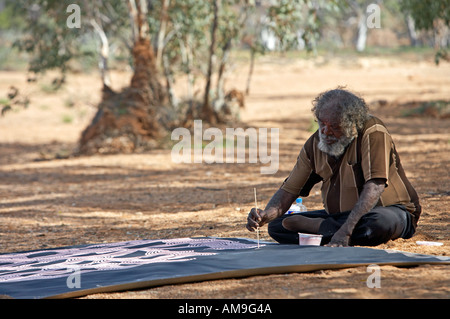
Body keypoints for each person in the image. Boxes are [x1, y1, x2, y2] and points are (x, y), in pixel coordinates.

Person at [246, 88, 421, 247]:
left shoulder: (373, 131)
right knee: (277, 226)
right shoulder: (314, 144)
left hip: (391, 212)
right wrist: (264, 215)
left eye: (335, 127)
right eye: (322, 124)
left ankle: (328, 230)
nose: (326, 132)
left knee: (378, 224)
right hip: (339, 217)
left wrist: (346, 230)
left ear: (352, 124)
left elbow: (375, 186)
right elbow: (289, 191)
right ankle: (330, 229)